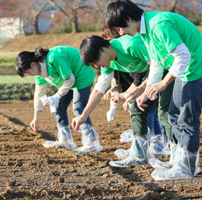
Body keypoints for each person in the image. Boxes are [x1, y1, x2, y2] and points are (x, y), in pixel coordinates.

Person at [105, 0, 202, 180]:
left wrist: (163, 84)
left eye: (119, 28)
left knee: (187, 118)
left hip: (199, 68)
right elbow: (157, 63)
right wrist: (145, 93)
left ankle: (187, 168)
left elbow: (183, 55)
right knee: (172, 114)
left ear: (128, 19)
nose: (120, 33)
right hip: (187, 71)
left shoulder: (158, 25)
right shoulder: (144, 32)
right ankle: (177, 161)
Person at [72, 33, 170, 167]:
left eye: (95, 62)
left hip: (168, 71)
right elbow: (99, 89)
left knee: (167, 115)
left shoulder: (130, 46)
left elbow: (157, 64)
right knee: (137, 108)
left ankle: (178, 158)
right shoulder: (110, 61)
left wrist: (141, 88)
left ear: (102, 50)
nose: (97, 66)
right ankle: (140, 155)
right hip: (150, 79)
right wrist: (83, 116)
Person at [15, 46, 103, 154]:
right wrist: (35, 118)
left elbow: (70, 79)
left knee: (78, 107)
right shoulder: (38, 71)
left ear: (33, 64)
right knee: (58, 107)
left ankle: (92, 142)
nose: (29, 75)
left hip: (82, 73)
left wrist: (57, 95)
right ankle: (65, 141)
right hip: (69, 79)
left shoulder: (53, 58)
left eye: (27, 72)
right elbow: (39, 93)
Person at [100, 25, 169, 158]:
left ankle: (148, 147)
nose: (106, 41)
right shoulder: (114, 59)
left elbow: (139, 76)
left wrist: (126, 95)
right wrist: (116, 90)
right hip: (144, 84)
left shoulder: (129, 48)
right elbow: (118, 81)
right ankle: (154, 145)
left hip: (152, 81)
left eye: (107, 39)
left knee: (149, 114)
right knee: (150, 114)